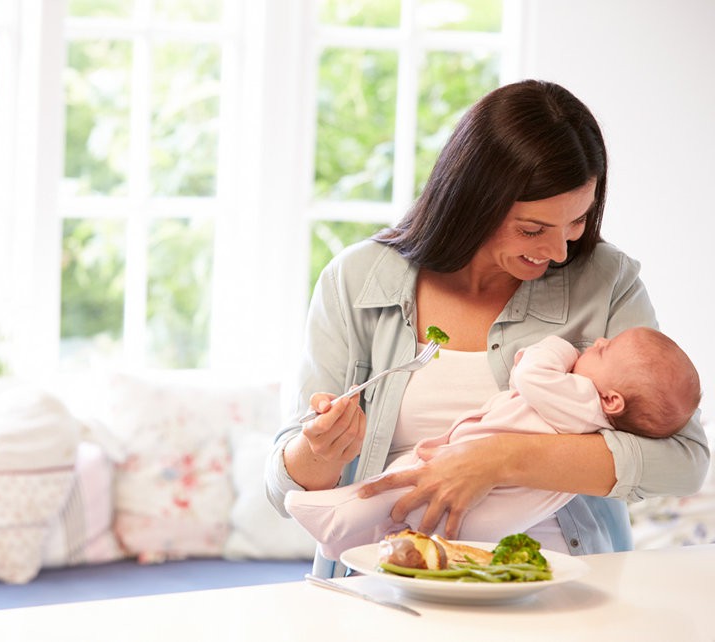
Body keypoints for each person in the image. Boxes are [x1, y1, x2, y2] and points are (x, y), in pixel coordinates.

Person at [264, 79, 710, 578]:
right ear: (471, 201)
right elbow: (283, 491)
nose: (560, 251)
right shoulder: (357, 280)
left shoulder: (607, 281)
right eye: (532, 229)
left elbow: (684, 460)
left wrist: (500, 458)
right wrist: (321, 451)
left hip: (560, 584)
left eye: (577, 222)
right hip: (388, 581)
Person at [283, 328, 702, 560]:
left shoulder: (582, 397)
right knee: (403, 520)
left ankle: (332, 517)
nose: (593, 343)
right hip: (501, 518)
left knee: (395, 486)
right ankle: (346, 542)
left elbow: (532, 375)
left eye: (603, 350)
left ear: (612, 399)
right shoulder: (600, 420)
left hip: (480, 486)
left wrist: (555, 345)